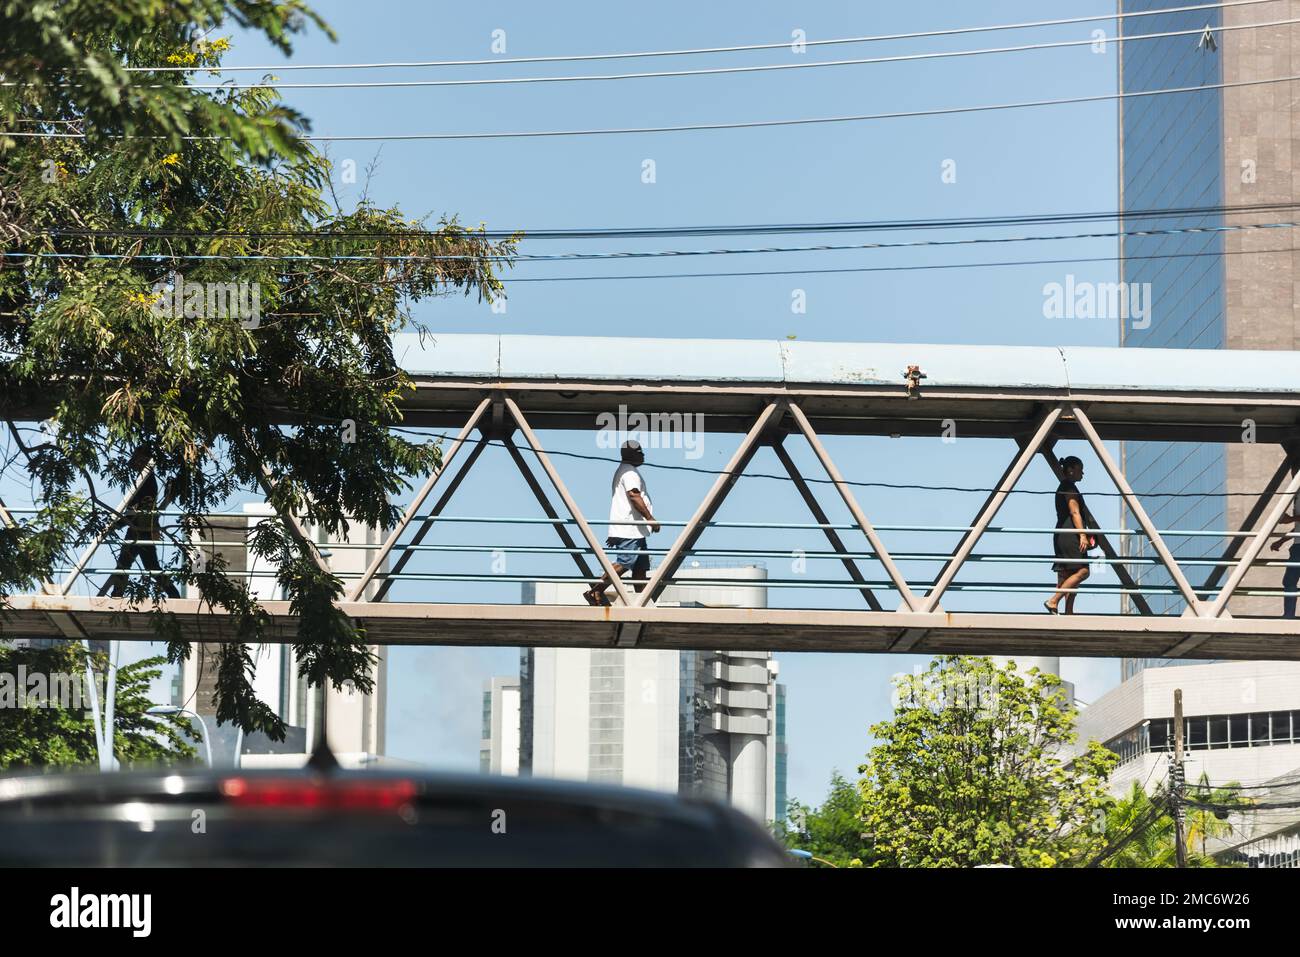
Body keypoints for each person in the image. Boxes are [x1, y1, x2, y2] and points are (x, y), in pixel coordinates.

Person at [584, 439, 660, 606]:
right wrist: (650, 519)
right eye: (640, 451)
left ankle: (642, 601)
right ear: (632, 454)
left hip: (634, 529)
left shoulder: (624, 471)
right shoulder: (630, 473)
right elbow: (634, 496)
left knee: (640, 568)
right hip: (630, 528)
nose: (643, 454)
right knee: (626, 561)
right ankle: (596, 589)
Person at [107, 445, 180, 599]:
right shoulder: (145, 478)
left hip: (139, 529)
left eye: (138, 457)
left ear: (146, 460)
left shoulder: (146, 480)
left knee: (127, 564)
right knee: (145, 565)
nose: (134, 461)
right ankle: (173, 594)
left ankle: (117, 595)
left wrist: (116, 525)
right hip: (140, 528)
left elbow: (138, 508)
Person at [1045, 455, 1095, 615]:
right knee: (1083, 571)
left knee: (1068, 573)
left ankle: (1068, 611)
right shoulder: (1069, 487)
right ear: (1071, 470)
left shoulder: (1064, 486)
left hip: (1062, 534)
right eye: (1080, 469)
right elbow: (1074, 512)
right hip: (1070, 535)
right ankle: (1053, 601)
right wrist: (1082, 535)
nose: (1083, 473)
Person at [1269, 492, 1300, 618]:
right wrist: (1281, 541)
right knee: (1289, 581)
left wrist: (1291, 519)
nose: (1293, 472)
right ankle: (1288, 615)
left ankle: (1289, 615)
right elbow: (1298, 527)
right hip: (1297, 545)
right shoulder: (1296, 496)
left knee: (1290, 581)